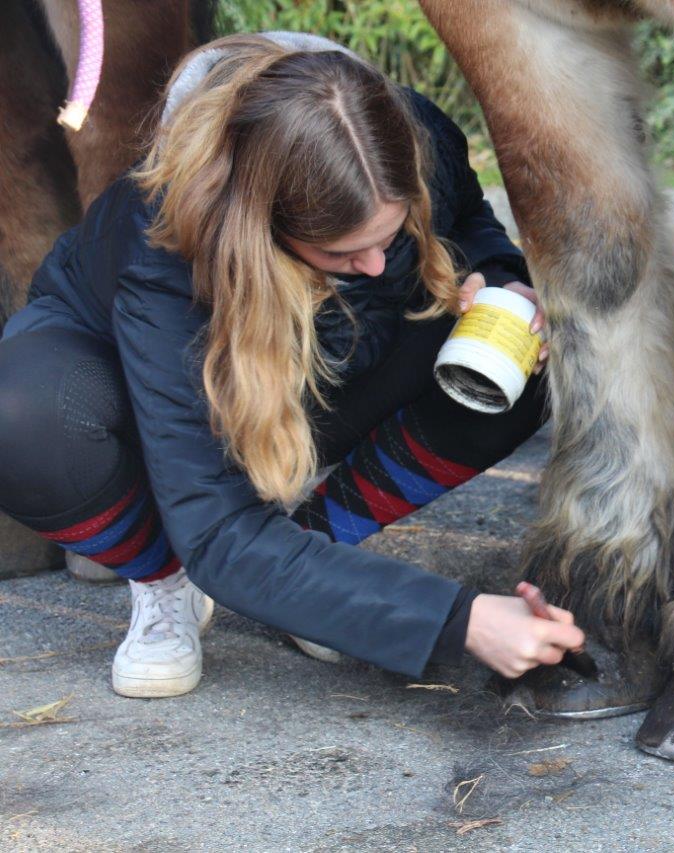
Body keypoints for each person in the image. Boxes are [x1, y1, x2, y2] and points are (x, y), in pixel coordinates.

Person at [0, 32, 584, 698]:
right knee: (21, 419)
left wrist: (503, 282)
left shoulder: (405, 134)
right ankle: (165, 578)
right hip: (144, 390)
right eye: (344, 251)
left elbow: (473, 223)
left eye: (387, 238)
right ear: (260, 224)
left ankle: (317, 550)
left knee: (519, 361)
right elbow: (218, 531)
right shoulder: (164, 244)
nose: (372, 263)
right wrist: (461, 621)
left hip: (317, 353)